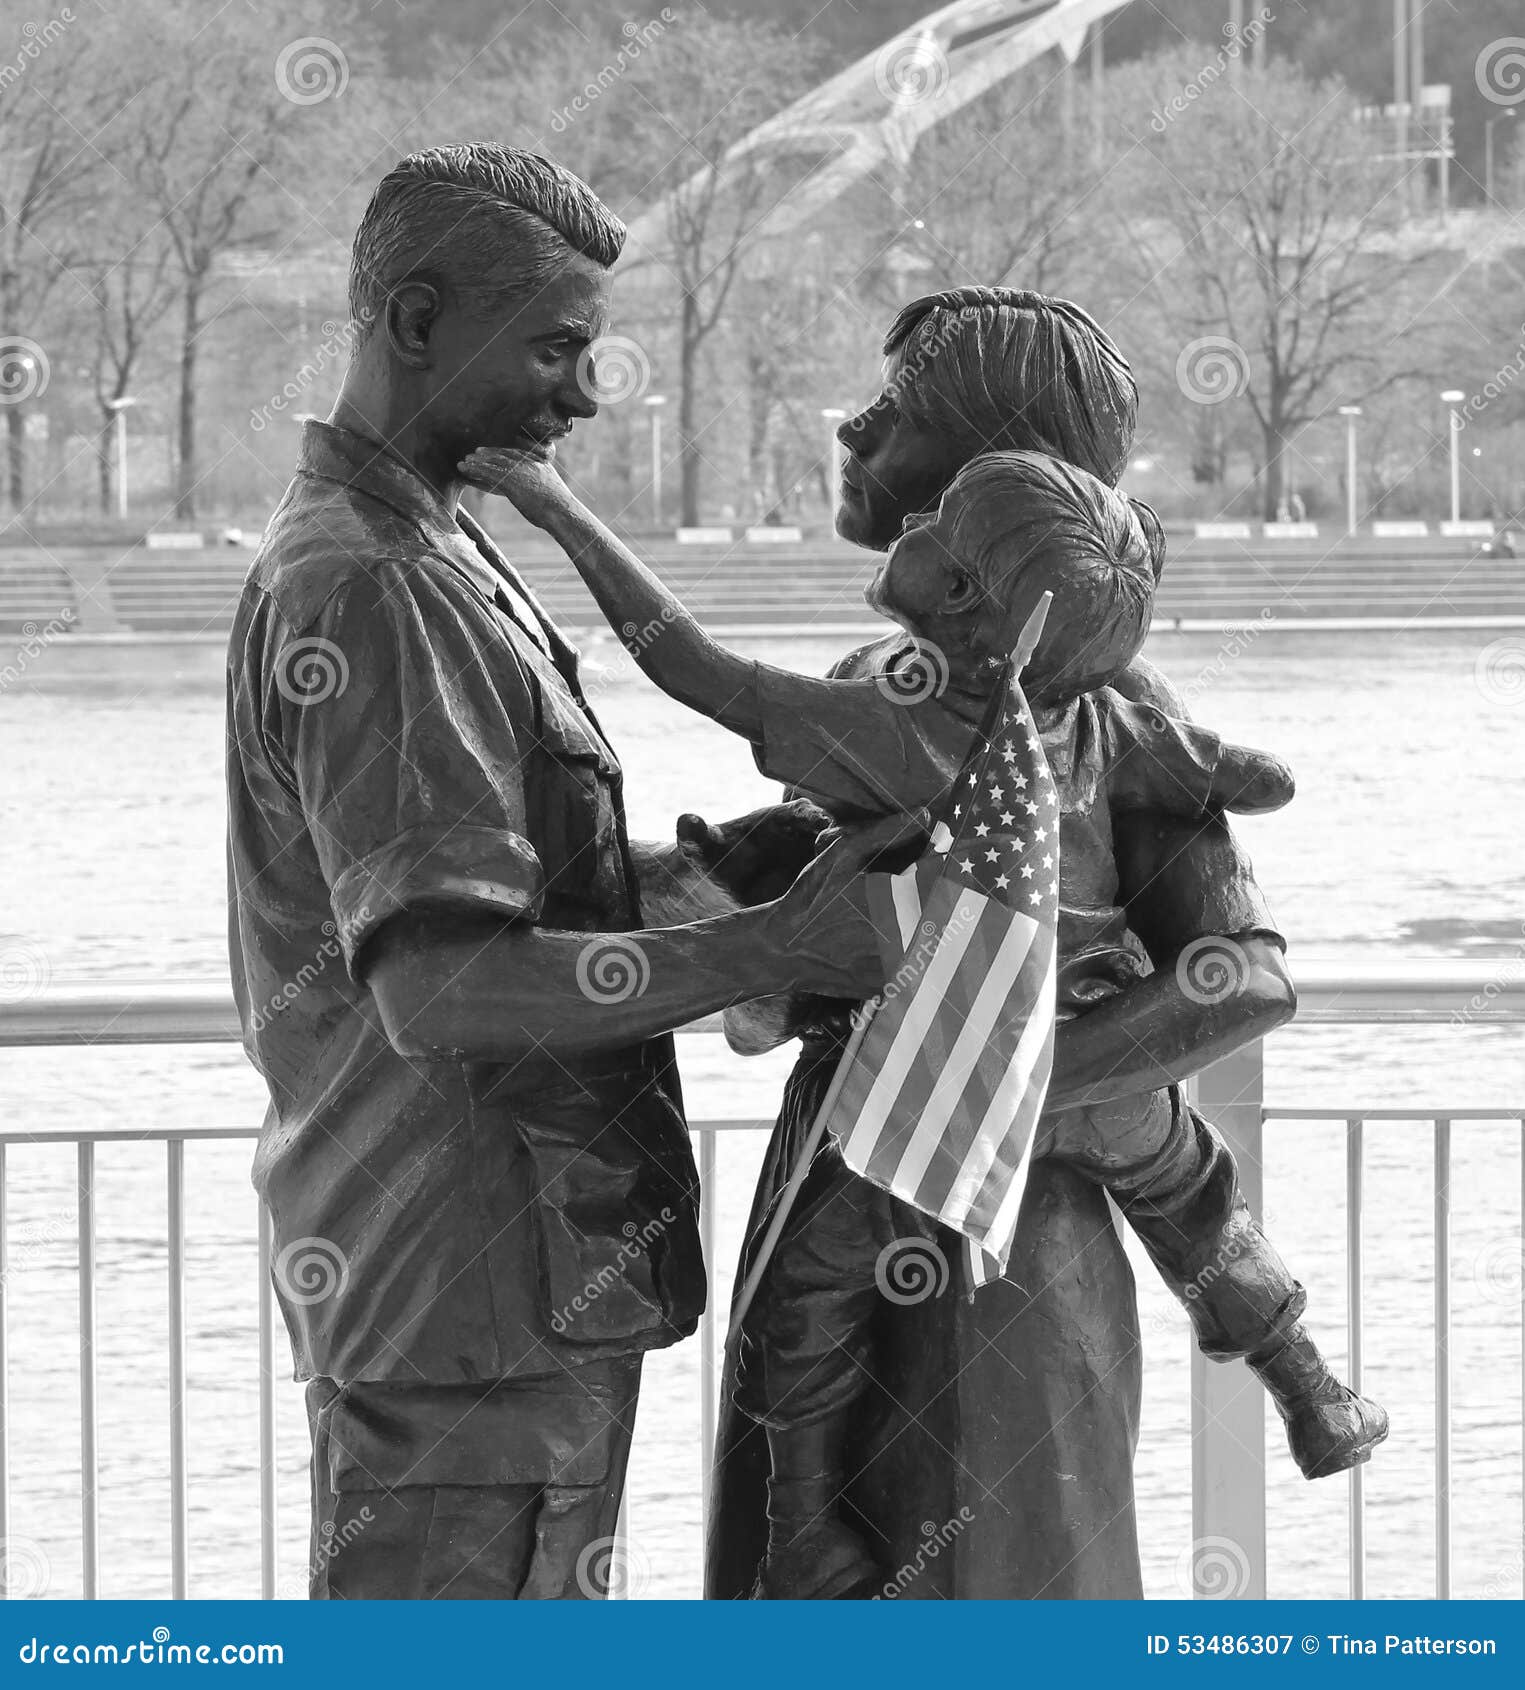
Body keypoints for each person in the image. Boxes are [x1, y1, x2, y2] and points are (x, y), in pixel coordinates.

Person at [462, 442, 1387, 1598]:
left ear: (957, 595)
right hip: (1101, 1072)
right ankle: (1305, 1384)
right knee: (1191, 1193)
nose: (906, 507)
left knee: (807, 1294)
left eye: (938, 515)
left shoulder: (902, 731)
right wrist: (1253, 774)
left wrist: (557, 506)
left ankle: (800, 1521)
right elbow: (1228, 772)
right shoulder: (1103, 721)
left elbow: (694, 666)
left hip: (951, 1078)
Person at [224, 143, 916, 1601]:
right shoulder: (380, 585)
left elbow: (529, 905)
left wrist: (742, 871)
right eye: (558, 345)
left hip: (496, 1301)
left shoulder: (430, 552)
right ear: (416, 323)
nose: (588, 392)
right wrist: (780, 945)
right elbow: (445, 986)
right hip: (468, 1308)